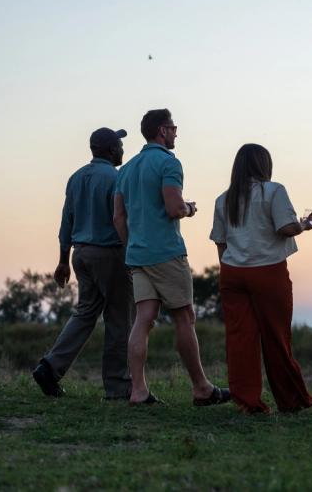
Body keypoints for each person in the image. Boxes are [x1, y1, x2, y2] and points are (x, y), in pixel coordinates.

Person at [113, 108, 229, 406]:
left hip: (137, 254)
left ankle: (138, 390)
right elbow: (173, 207)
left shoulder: (126, 169)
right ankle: (202, 388)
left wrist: (131, 247)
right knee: (185, 317)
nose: (176, 132)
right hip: (166, 252)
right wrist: (189, 207)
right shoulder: (168, 162)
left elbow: (118, 217)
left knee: (143, 319)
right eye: (174, 128)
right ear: (162, 131)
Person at [210, 144, 312, 414]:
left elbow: (220, 242)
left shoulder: (223, 199)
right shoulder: (273, 191)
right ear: (263, 165)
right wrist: (304, 225)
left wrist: (230, 265)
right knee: (276, 337)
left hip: (233, 272)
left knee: (240, 339)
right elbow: (285, 228)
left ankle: (248, 402)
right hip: (268, 270)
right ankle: (290, 399)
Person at [32, 127, 134, 400]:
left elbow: (67, 220)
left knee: (85, 313)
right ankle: (118, 386)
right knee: (119, 319)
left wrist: (63, 261)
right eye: (120, 146)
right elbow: (121, 219)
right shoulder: (117, 178)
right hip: (110, 254)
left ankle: (50, 367)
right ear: (112, 150)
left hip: (81, 255)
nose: (123, 150)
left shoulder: (76, 178)